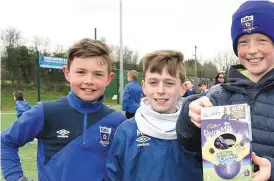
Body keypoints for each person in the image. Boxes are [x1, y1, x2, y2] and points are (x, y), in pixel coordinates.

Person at [176, 1, 274, 181]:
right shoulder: (218, 94)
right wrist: (190, 117)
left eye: (262, 40)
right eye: (243, 42)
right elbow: (190, 145)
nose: (252, 50)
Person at [1, 38, 126, 181]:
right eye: (81, 72)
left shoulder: (118, 121)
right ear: (67, 73)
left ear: (108, 79)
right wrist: (16, 178)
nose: (89, 80)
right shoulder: (46, 112)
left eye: (98, 74)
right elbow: (5, 142)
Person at [105, 50, 202, 181]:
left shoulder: (197, 131)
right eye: (153, 82)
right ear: (144, 87)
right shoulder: (126, 132)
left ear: (183, 88)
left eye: (169, 83)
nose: (160, 90)